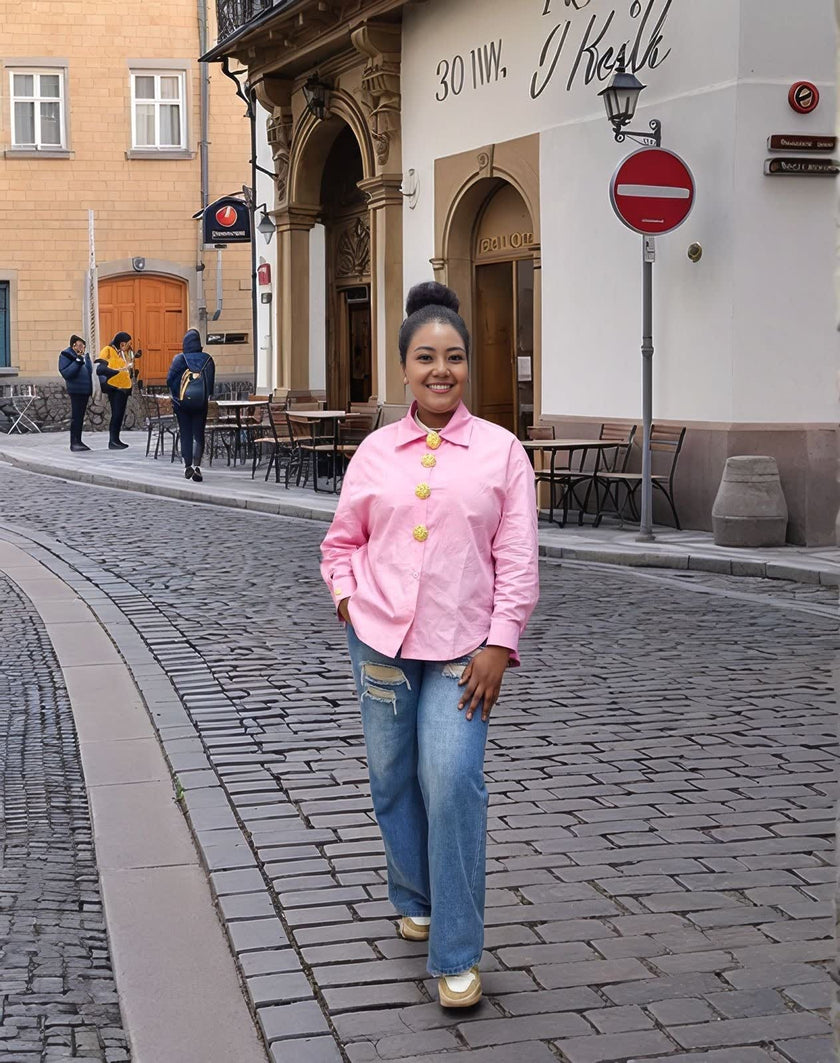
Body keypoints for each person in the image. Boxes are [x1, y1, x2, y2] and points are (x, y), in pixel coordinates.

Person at [320, 282, 539, 1009]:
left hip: (462, 652)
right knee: (391, 777)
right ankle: (413, 889)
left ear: (468, 366)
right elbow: (340, 544)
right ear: (404, 368)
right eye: (425, 357)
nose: (440, 369)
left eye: (453, 357)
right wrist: (349, 599)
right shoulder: (377, 452)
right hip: (380, 641)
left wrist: (499, 644)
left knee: (451, 781)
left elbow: (518, 562)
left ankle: (455, 953)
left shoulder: (503, 453)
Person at [166, 328, 215, 482]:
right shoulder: (208, 359)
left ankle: (188, 466)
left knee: (185, 433)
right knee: (198, 433)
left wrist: (176, 395)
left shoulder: (180, 359)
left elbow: (169, 379)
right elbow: (211, 383)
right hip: (201, 403)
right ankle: (198, 466)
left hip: (182, 404)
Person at [95, 331, 133, 449]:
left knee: (120, 414)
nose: (128, 346)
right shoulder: (107, 350)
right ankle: (112, 441)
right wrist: (117, 371)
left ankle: (117, 439)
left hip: (124, 388)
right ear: (121, 343)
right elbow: (100, 368)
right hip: (114, 387)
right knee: (116, 414)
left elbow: (126, 367)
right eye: (128, 343)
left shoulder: (122, 353)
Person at [58, 334, 93, 452]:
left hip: (85, 391)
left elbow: (89, 371)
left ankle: (79, 440)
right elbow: (67, 373)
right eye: (79, 345)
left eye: (83, 345)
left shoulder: (84, 357)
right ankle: (74, 442)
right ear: (73, 345)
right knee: (76, 417)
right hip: (76, 390)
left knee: (80, 417)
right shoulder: (65, 355)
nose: (82, 348)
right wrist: (78, 360)